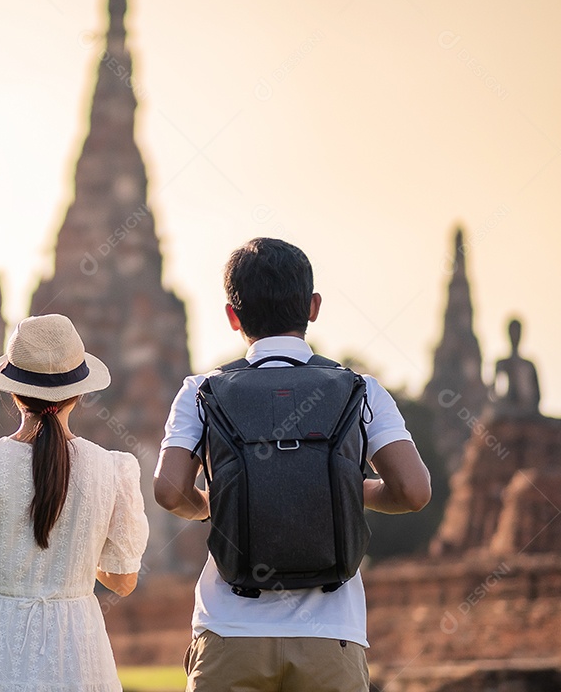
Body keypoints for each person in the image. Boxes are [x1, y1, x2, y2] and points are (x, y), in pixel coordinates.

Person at [153, 238, 431, 692]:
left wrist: (213, 503)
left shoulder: (201, 391)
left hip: (229, 630)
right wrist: (343, 486)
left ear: (232, 316)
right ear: (313, 307)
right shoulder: (361, 389)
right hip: (330, 637)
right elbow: (413, 491)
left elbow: (168, 490)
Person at [0, 314, 149, 691]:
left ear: (13, 392)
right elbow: (123, 581)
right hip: (79, 651)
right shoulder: (113, 470)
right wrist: (75, 554)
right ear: (79, 392)